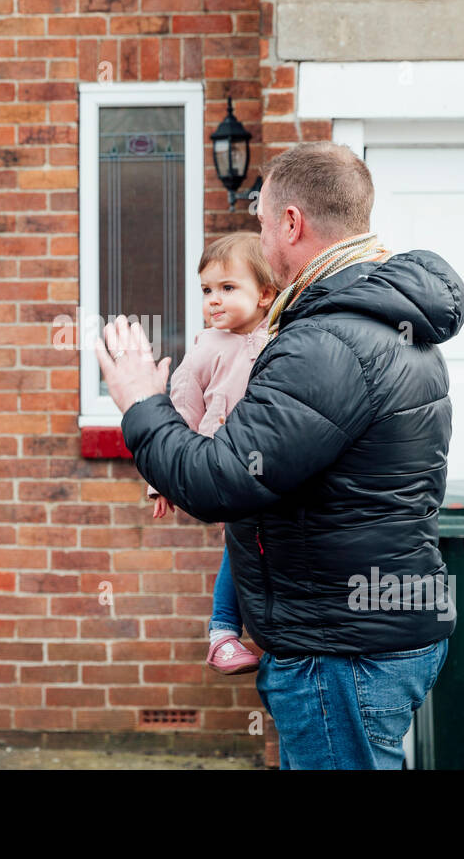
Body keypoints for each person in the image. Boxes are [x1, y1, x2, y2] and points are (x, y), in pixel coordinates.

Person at [96, 140, 464, 769]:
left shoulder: (328, 342)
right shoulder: (380, 320)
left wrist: (141, 404)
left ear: (292, 222)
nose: (262, 235)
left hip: (340, 647)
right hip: (369, 632)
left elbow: (221, 481)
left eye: (264, 221)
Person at [143, 232, 276, 675]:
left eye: (227, 288)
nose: (213, 300)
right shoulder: (206, 347)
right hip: (224, 464)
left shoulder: (282, 336)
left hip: (274, 465)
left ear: (266, 294)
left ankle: (268, 628)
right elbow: (180, 410)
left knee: (266, 545)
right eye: (206, 290)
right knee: (238, 546)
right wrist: (162, 477)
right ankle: (222, 634)